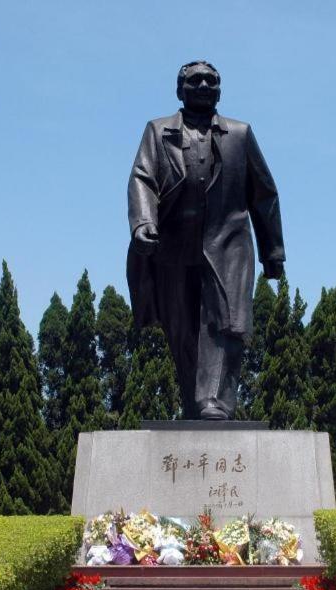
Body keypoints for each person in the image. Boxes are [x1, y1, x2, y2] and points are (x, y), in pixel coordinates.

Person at [127, 60, 285, 420]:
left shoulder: (240, 134)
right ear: (180, 89)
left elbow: (264, 194)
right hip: (172, 244)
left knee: (226, 320)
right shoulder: (158, 130)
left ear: (220, 89)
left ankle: (214, 400)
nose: (203, 85)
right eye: (194, 80)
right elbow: (142, 178)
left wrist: (272, 250)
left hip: (227, 242)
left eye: (211, 80)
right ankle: (194, 401)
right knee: (181, 326)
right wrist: (143, 223)